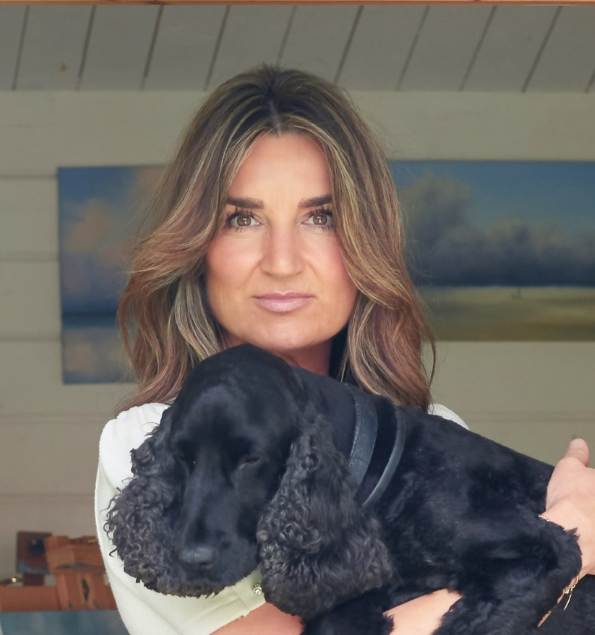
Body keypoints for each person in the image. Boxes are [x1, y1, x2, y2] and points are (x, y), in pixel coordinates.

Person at [95, 65, 595, 635]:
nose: (282, 261)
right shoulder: (152, 445)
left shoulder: (435, 431)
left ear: (363, 242)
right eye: (242, 219)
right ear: (198, 247)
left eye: (320, 217)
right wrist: (571, 535)